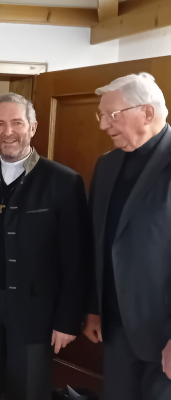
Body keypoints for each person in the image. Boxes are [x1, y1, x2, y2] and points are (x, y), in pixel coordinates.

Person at [0, 93, 90, 400]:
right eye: (0, 123)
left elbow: (76, 259)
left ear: (32, 127)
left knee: (29, 390)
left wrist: (68, 320)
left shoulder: (63, 181)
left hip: (36, 308)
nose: (8, 132)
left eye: (17, 123)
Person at [84, 73, 171, 399]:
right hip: (116, 328)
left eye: (112, 115)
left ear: (147, 112)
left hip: (163, 333)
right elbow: (99, 241)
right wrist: (94, 306)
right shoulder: (106, 166)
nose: (104, 125)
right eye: (101, 115)